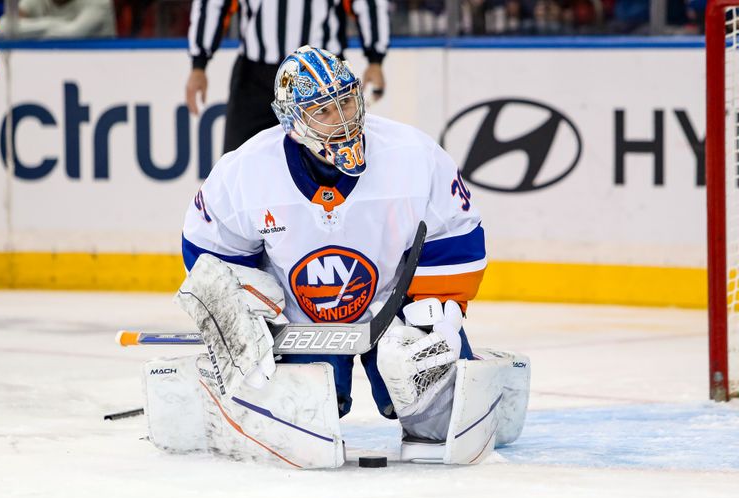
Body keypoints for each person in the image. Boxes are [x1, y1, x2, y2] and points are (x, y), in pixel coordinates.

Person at [142, 46, 530, 468]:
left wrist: (437, 307)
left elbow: (457, 230)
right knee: (299, 421)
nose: (344, 120)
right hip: (298, 321)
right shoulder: (246, 170)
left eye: (346, 100)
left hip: (392, 307)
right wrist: (241, 313)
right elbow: (208, 251)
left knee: (436, 413)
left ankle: (465, 382)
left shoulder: (412, 154)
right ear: (291, 121)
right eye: (323, 111)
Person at [185, 0, 389, 154]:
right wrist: (198, 64)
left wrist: (375, 59)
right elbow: (212, 4)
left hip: (323, 77)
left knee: (333, 158)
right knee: (240, 162)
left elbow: (369, 4)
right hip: (255, 77)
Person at [0, 0, 115, 40]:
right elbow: (1, 29)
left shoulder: (100, 2)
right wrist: (50, 24)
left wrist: (29, 29)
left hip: (99, 69)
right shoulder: (36, 1)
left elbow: (71, 35)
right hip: (48, 67)